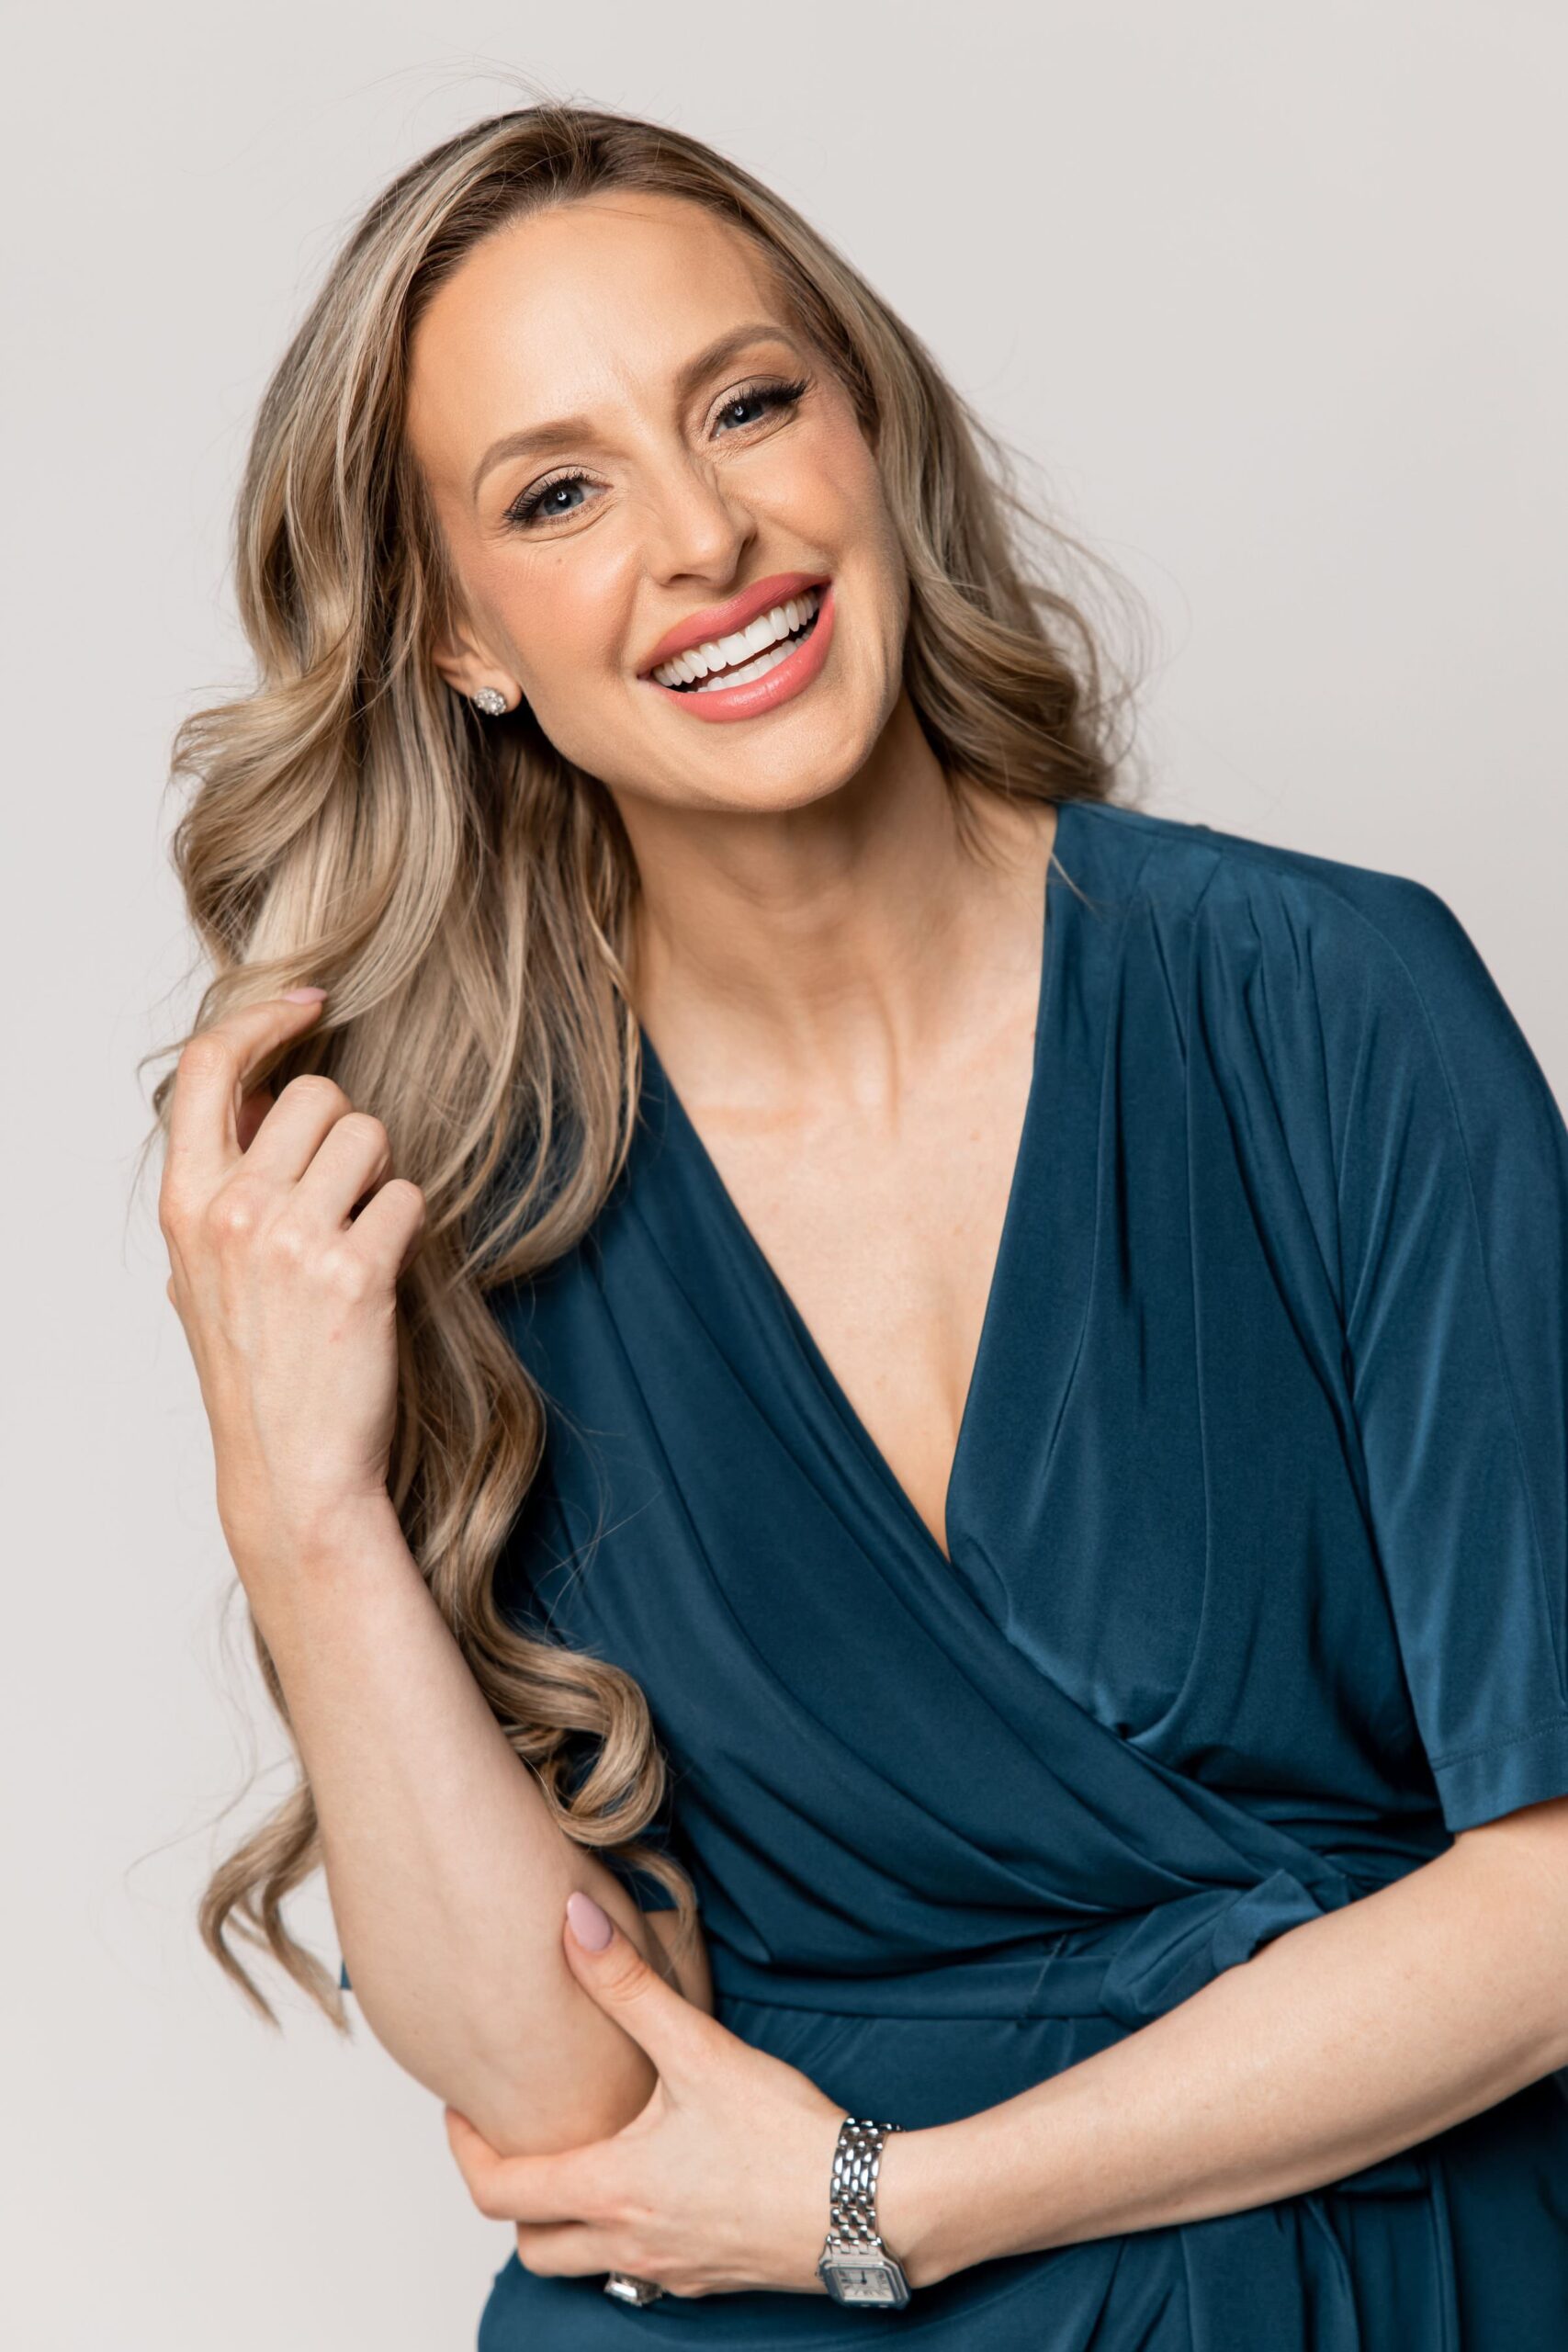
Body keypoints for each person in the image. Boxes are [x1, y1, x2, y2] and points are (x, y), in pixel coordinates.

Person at [150, 100, 1568, 2349]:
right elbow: (558, 2091)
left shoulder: (1326, 999)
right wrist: (292, 1494)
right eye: (556, 493)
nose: (704, 533)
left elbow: (1552, 1901)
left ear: (868, 427)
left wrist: (888, 2201)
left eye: (744, 403)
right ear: (458, 637)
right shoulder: (464, 1191)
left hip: (1338, 2261)